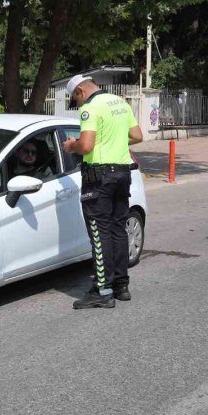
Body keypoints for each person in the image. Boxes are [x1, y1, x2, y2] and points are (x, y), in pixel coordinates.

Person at [62, 75, 143, 309]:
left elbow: (86, 146)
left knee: (99, 234)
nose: (76, 105)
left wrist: (72, 145)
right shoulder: (119, 102)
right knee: (119, 229)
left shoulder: (90, 108)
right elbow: (137, 136)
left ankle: (102, 290)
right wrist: (113, 141)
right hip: (122, 174)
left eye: (74, 100)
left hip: (99, 178)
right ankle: (121, 285)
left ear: (80, 91)